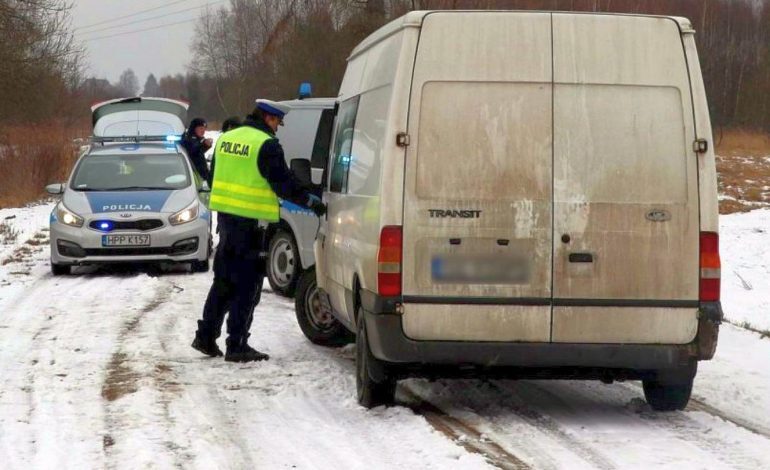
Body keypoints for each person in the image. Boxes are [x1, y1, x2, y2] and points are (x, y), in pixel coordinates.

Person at [191, 100, 326, 362]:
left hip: (227, 222)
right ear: (267, 118)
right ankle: (237, 344)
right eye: (276, 122)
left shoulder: (227, 139)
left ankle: (206, 336)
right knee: (248, 286)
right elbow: (283, 183)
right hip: (253, 225)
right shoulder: (266, 144)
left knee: (223, 281)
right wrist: (310, 201)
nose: (277, 128)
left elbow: (216, 174)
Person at [180, 117, 213, 182]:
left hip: (201, 176)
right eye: (201, 128)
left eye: (204, 129)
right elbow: (193, 152)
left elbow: (199, 153)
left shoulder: (199, 139)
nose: (203, 131)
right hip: (194, 177)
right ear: (193, 128)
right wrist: (204, 145)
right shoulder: (188, 139)